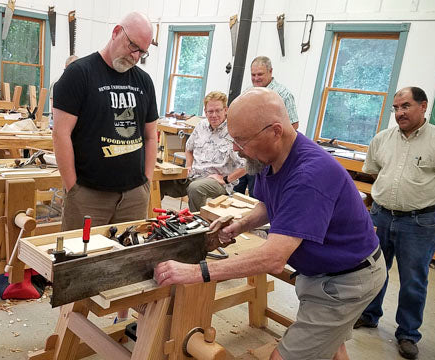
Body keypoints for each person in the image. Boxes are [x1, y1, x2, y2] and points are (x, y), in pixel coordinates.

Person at [154, 88, 387, 360]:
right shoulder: (266, 159)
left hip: (346, 281)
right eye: (234, 138)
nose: (235, 149)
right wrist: (240, 225)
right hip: (322, 272)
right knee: (332, 344)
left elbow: (273, 259)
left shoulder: (309, 175)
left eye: (242, 141)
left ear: (276, 131)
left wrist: (196, 272)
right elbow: (269, 205)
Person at [354, 87, 435, 359]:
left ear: (423, 106)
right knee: (374, 270)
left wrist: (423, 198)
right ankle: (369, 315)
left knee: (414, 280)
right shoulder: (381, 139)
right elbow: (375, 172)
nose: (399, 113)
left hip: (420, 222)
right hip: (380, 215)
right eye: (396, 108)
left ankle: (407, 334)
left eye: (405, 106)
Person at [52, 11, 157, 231]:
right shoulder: (78, 74)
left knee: (128, 261)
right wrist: (73, 188)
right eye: (133, 46)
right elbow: (61, 134)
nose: (136, 56)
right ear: (116, 32)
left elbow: (150, 136)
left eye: (142, 52)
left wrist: (146, 182)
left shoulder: (144, 82)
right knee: (78, 260)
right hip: (88, 195)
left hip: (134, 196)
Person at [160, 91, 245, 211]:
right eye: (210, 111)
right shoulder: (201, 126)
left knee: (196, 188)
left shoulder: (235, 131)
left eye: (218, 110)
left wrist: (226, 179)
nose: (214, 115)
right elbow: (189, 149)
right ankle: (151, 221)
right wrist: (188, 165)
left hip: (218, 182)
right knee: (160, 182)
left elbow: (247, 165)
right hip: (194, 175)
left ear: (226, 110)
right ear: (205, 112)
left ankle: (198, 225)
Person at [234, 56, 299, 195]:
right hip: (247, 152)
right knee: (236, 192)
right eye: (253, 75)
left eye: (260, 74)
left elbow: (293, 125)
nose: (256, 78)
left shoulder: (283, 95)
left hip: (267, 155)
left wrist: (269, 144)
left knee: (257, 194)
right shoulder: (248, 92)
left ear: (270, 72)